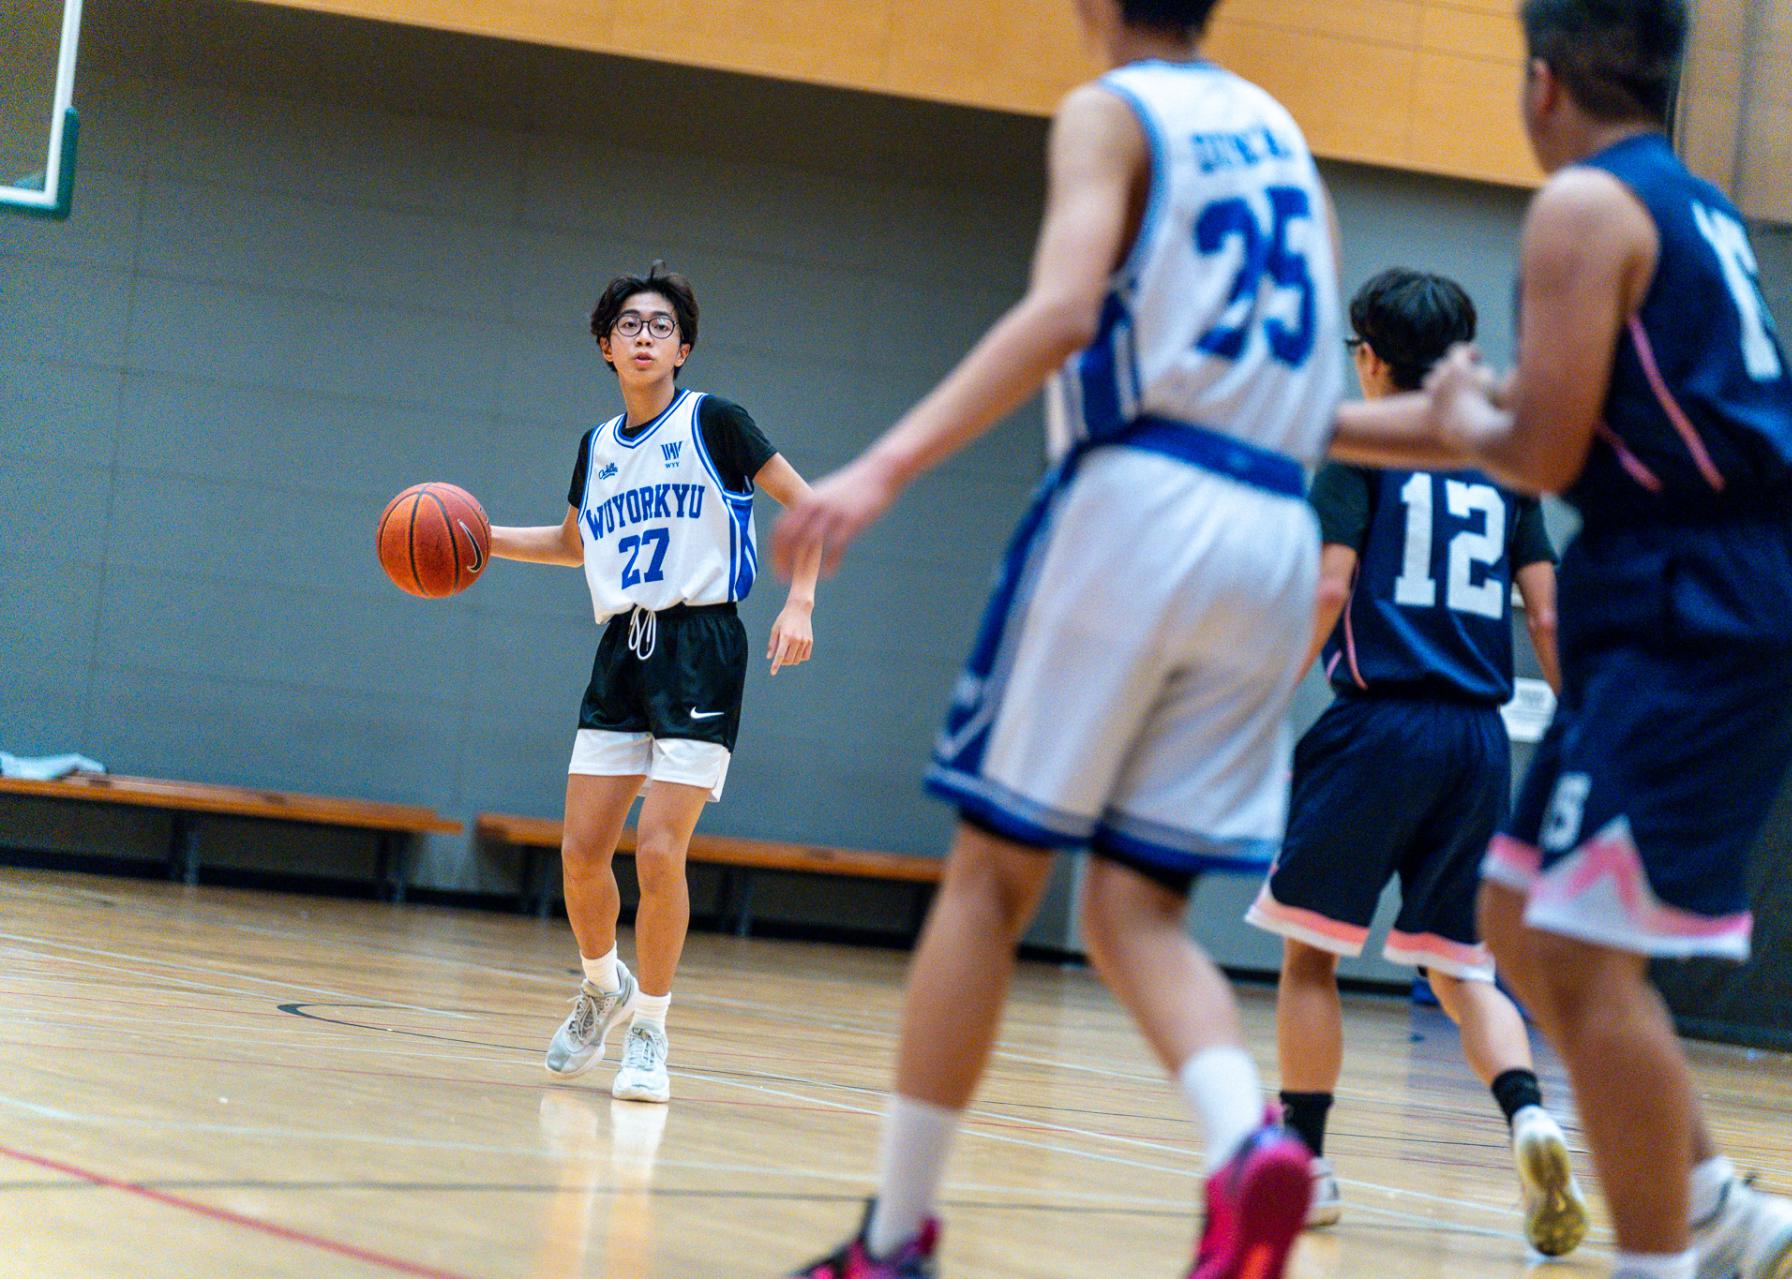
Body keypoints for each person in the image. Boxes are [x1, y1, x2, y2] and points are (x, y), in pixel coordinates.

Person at [769, 0, 1346, 1271]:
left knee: (991, 877)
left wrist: (884, 465)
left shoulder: (1111, 112)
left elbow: (1063, 314)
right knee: (1137, 905)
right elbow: (1313, 386)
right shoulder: (1283, 134)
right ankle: (1247, 1137)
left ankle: (896, 1234)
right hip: (1276, 526)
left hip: (1140, 500)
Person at [1336, 4, 1792, 1278]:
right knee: (1510, 911)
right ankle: (1716, 1197)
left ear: (1542, 82)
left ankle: (1660, 1259)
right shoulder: (1682, 202)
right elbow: (1526, 415)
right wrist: (1308, 422)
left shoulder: (1579, 212)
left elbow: (1534, 450)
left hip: (1695, 601)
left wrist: (1454, 408)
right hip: (1699, 586)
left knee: (1576, 947)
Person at [1246, 267, 1587, 1256]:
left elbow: (1327, 585)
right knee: (1461, 967)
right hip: (1479, 748)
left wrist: (1261, 699)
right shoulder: (1508, 469)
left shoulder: (1358, 454)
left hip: (1376, 731)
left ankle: (1305, 1161)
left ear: (1372, 358)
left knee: (1311, 953)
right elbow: (1550, 612)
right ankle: (1529, 1115)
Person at [491, 264, 822, 1103]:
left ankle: (653, 1032)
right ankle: (605, 985)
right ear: (605, 346)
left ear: (684, 345)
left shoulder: (715, 422)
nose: (645, 335)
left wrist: (801, 603)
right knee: (579, 855)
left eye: (661, 323)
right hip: (622, 649)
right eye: (629, 324)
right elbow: (574, 545)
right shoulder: (598, 446)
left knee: (660, 849)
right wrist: (478, 536)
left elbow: (806, 505)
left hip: (702, 643)